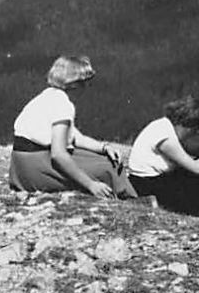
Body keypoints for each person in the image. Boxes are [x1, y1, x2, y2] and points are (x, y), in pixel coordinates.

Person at [8, 55, 136, 198]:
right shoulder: (62, 104)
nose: (86, 87)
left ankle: (127, 196)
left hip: (21, 166)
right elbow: (58, 154)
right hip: (34, 167)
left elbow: (74, 137)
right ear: (73, 83)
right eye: (84, 82)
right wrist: (90, 184)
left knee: (104, 159)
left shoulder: (47, 96)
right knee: (108, 168)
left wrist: (104, 148)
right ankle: (130, 200)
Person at [126, 95, 199, 218]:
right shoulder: (165, 136)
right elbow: (195, 168)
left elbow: (189, 147)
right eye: (196, 129)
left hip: (152, 182)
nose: (196, 133)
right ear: (189, 124)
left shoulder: (164, 126)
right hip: (148, 187)